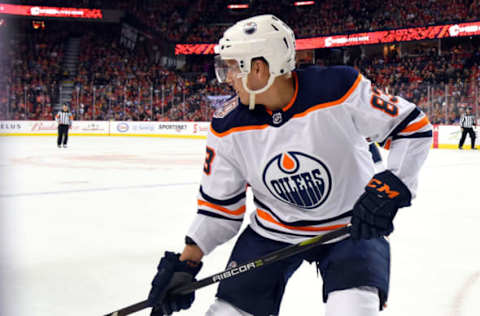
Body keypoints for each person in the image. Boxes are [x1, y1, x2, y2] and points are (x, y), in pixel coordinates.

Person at [147, 15, 432, 316]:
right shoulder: (227, 126)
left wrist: (391, 186)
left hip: (350, 227)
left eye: (232, 67)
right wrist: (187, 262)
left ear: (258, 67)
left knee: (354, 310)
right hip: (272, 232)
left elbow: (411, 126)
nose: (227, 77)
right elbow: (220, 208)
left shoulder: (338, 88)